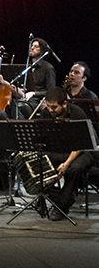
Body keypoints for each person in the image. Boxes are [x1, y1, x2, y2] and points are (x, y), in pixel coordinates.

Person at [38, 87, 93, 221]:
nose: (51, 110)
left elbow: (81, 145)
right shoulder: (46, 113)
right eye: (49, 106)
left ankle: (61, 206)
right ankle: (61, 198)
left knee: (74, 168)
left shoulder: (77, 113)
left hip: (83, 151)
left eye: (54, 107)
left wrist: (66, 163)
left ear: (64, 104)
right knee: (38, 164)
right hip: (59, 150)